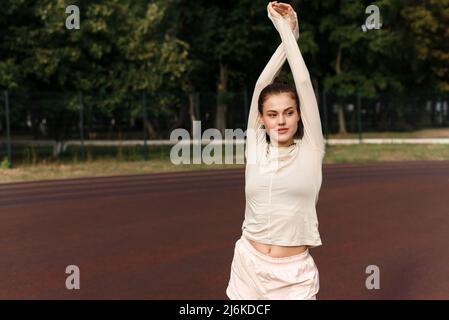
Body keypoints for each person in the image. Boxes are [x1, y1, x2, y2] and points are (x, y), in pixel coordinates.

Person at [226, 1, 326, 300]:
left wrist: (286, 28)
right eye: (272, 114)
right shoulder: (255, 148)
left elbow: (304, 82)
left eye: (289, 112)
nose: (281, 120)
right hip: (247, 265)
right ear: (262, 118)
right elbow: (261, 85)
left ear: (298, 115)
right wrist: (288, 33)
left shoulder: (312, 149)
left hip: (293, 277)